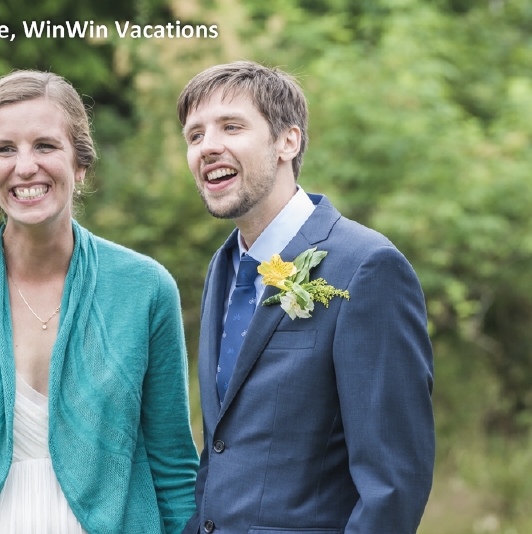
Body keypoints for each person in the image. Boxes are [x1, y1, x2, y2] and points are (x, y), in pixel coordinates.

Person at [0, 70, 198, 534]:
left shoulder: (146, 288)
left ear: (80, 164)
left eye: (45, 146)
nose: (26, 166)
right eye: (4, 149)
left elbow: (173, 468)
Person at [177, 61, 434, 533]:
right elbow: (223, 448)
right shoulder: (224, 265)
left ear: (287, 142)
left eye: (231, 127)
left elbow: (393, 486)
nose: (207, 146)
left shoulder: (367, 266)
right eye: (195, 135)